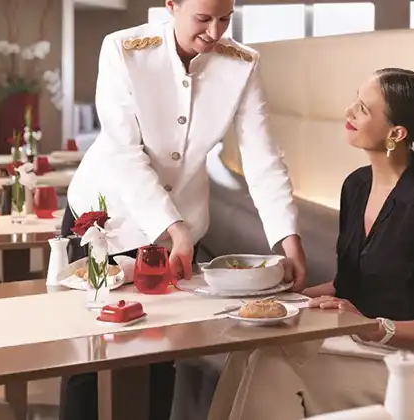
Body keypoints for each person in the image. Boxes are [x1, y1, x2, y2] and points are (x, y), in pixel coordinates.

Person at [60, 0, 308, 417]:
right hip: (107, 220)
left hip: (181, 234)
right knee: (92, 355)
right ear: (172, 5)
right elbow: (125, 152)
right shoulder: (123, 49)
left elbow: (263, 158)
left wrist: (288, 237)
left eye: (225, 19)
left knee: (163, 350)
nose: (215, 32)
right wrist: (172, 229)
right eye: (203, 19)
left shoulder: (242, 63)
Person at [205, 68, 414, 420]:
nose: (349, 111)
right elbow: (346, 286)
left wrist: (369, 324)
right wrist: (280, 300)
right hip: (355, 342)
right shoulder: (356, 186)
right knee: (249, 348)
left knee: (271, 364)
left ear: (396, 133)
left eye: (363, 108)